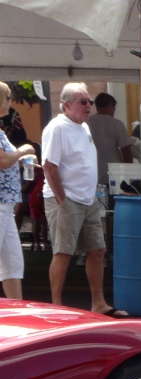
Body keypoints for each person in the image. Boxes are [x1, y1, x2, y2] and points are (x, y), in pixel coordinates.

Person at [42, 83, 124, 316]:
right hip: (67, 199)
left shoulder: (84, 127)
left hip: (87, 199)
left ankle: (99, 303)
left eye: (90, 101)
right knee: (63, 252)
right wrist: (62, 199)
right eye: (83, 102)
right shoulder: (57, 128)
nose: (89, 105)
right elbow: (49, 166)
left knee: (98, 250)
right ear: (66, 105)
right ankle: (56, 306)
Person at [0, 82, 36, 300]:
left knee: (12, 263)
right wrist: (23, 150)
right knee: (10, 262)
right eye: (7, 98)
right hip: (1, 203)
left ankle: (16, 308)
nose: (10, 102)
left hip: (6, 204)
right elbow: (3, 160)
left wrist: (20, 160)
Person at [86, 92, 132, 187]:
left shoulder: (86, 123)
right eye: (114, 108)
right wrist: (129, 174)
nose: (114, 111)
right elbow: (126, 151)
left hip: (91, 174)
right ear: (110, 105)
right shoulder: (116, 124)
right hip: (113, 174)